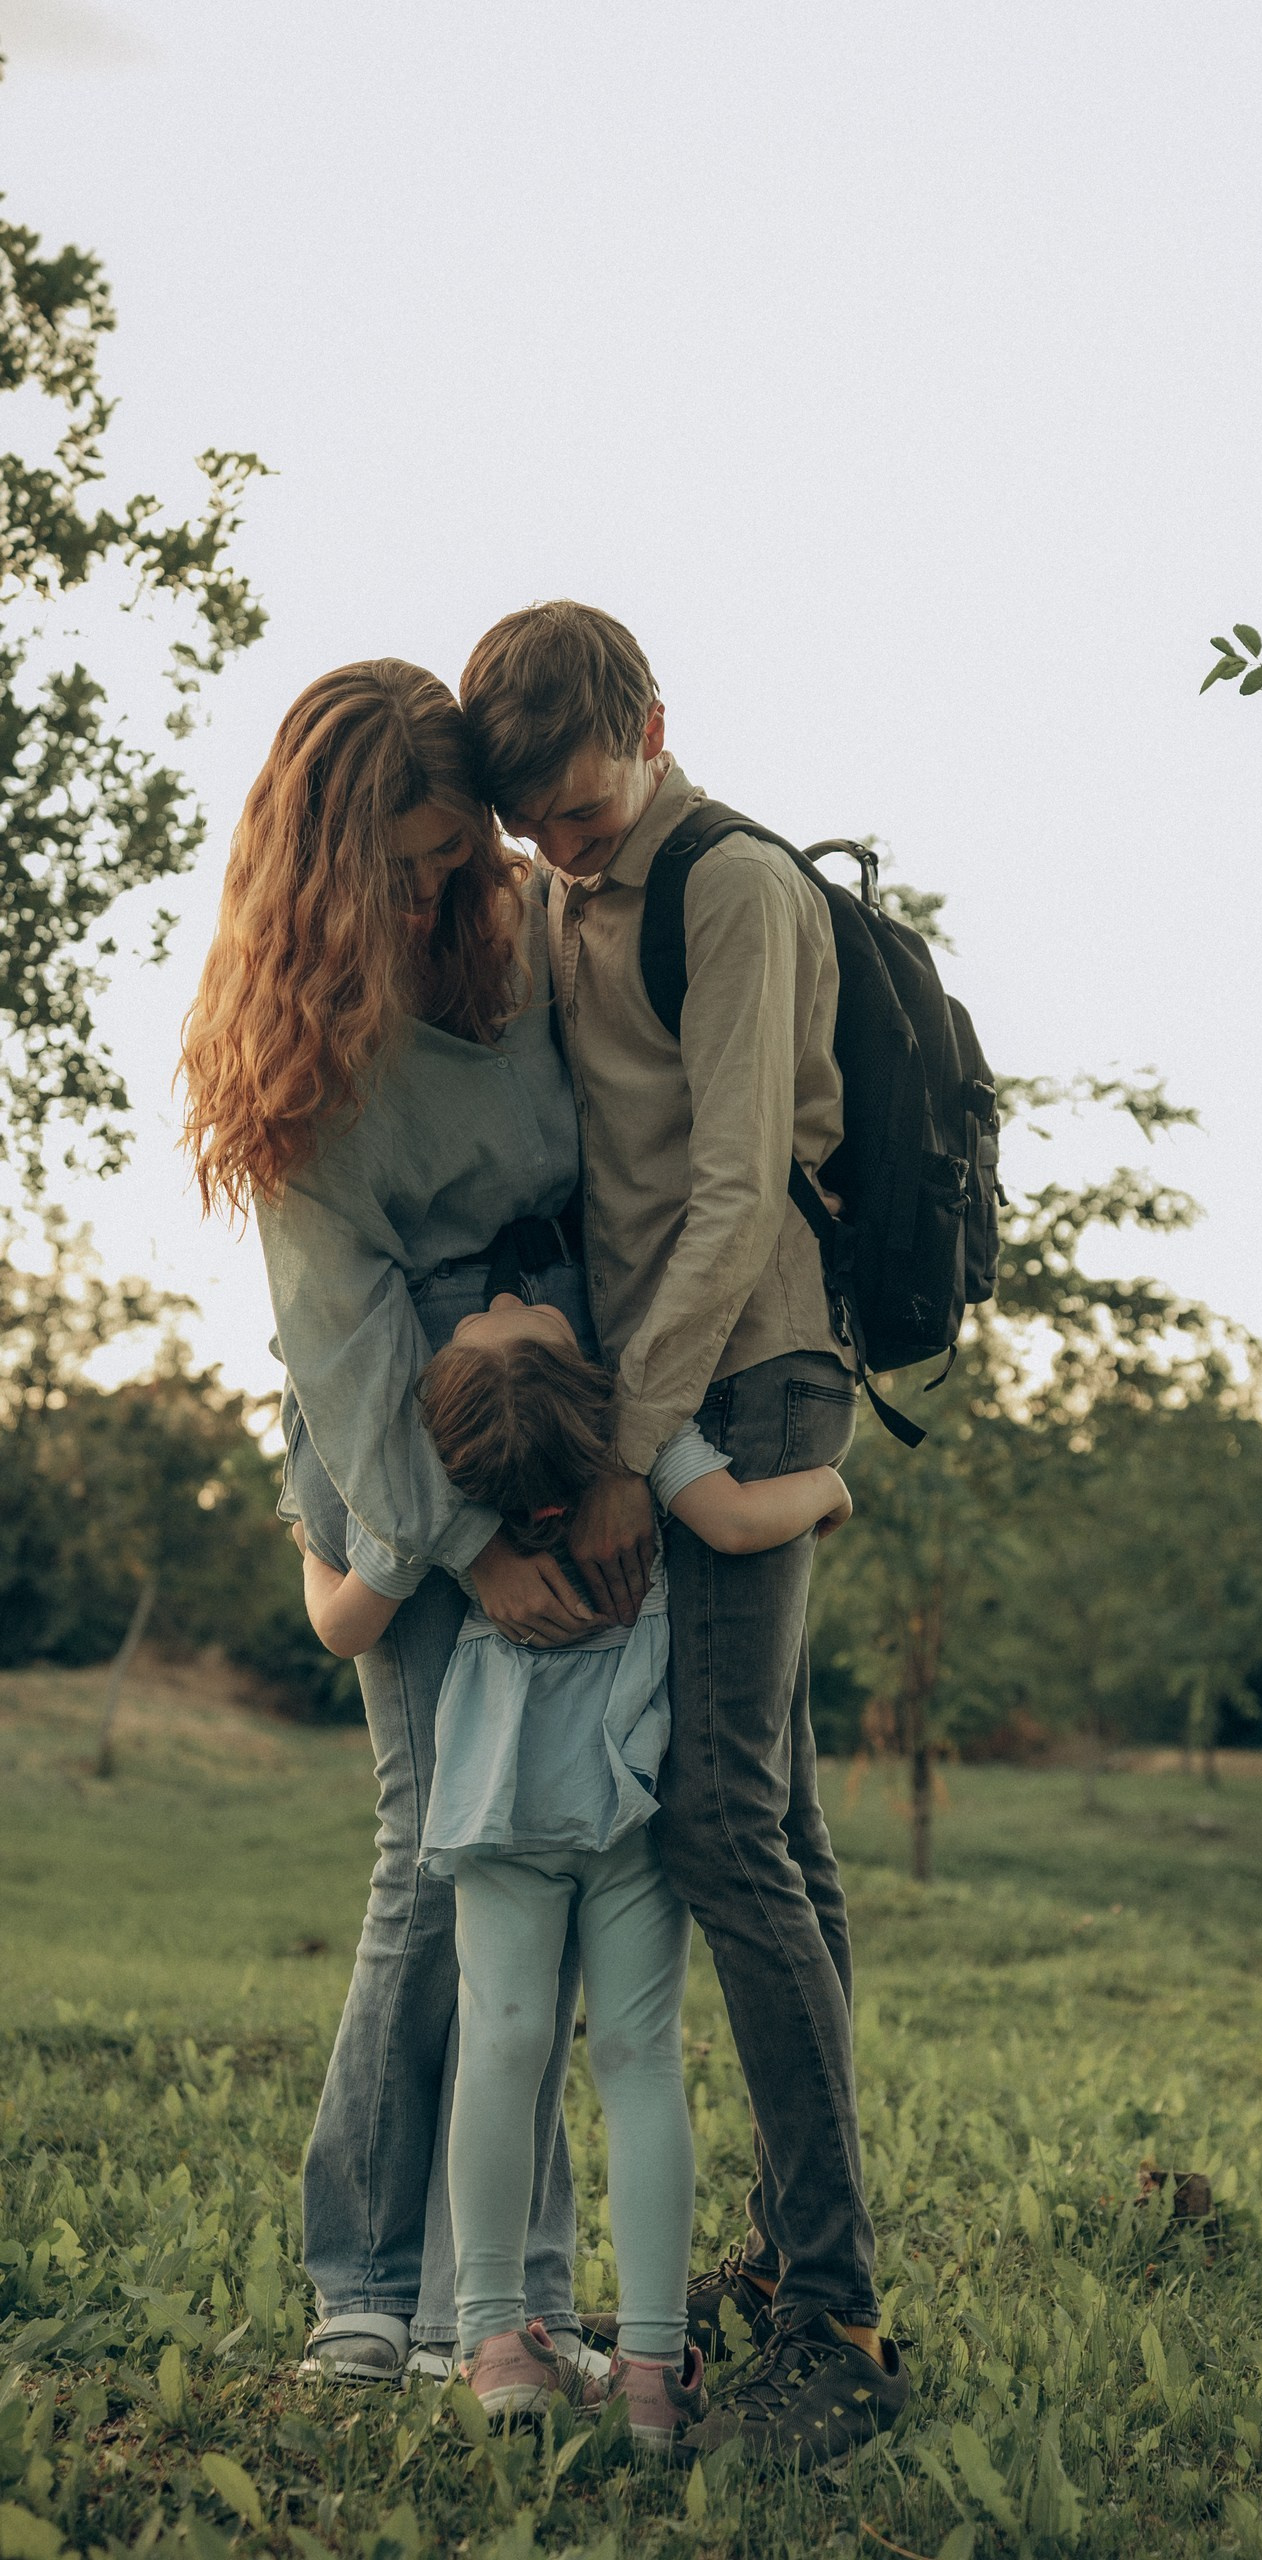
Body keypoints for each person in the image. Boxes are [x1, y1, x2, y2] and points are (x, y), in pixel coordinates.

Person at [459, 602, 912, 2464]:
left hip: (758, 1369)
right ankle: (810, 2266)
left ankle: (841, 2325)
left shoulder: (729, 887)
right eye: (538, 832)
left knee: (723, 1822)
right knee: (775, 1825)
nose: (565, 852)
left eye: (581, 813)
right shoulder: (568, 890)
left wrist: (639, 1446)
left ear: (650, 721)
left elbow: (732, 1200)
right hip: (660, 1381)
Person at [181, 662, 654, 2382]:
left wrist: (612, 1462)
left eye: (450, 856)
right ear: (313, 858)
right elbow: (345, 1338)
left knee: (542, 1851)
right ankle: (366, 2287)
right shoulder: (296, 1030)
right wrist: (466, 1549)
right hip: (402, 1435)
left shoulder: (524, 935)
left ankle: (510, 2299)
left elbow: (614, 1179)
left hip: (560, 1404)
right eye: (392, 865)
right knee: (427, 1854)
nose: (426, 893)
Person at [292, 1286, 852, 2452]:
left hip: (501, 1804)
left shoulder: (439, 1491)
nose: (506, 1293)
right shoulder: (636, 1454)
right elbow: (747, 1523)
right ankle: (653, 2373)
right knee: (640, 2060)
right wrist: (832, 1487)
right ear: (590, 1390)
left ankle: (498, 2346)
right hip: (630, 1803)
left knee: (502, 2043)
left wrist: (307, 1542)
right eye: (514, 1318)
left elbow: (346, 1626)